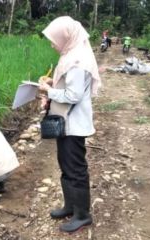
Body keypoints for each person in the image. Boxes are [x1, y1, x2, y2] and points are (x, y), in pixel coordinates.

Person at [38, 16, 101, 233]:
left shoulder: (78, 61)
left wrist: (48, 91)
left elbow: (73, 95)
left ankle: (82, 215)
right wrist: (51, 83)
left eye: (53, 39)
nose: (52, 44)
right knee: (65, 166)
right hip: (66, 122)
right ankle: (70, 206)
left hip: (74, 125)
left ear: (65, 37)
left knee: (76, 169)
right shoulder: (70, 55)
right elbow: (67, 85)